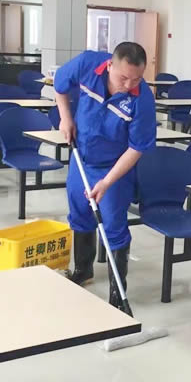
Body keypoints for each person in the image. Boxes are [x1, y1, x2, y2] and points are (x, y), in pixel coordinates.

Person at [54, 42, 156, 312]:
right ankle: (83, 269)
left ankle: (117, 292)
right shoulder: (87, 64)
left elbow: (136, 148)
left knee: (112, 224)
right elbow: (59, 85)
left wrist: (107, 182)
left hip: (114, 167)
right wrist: (66, 118)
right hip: (82, 157)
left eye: (137, 78)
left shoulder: (142, 99)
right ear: (110, 65)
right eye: (123, 77)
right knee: (79, 211)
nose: (129, 85)